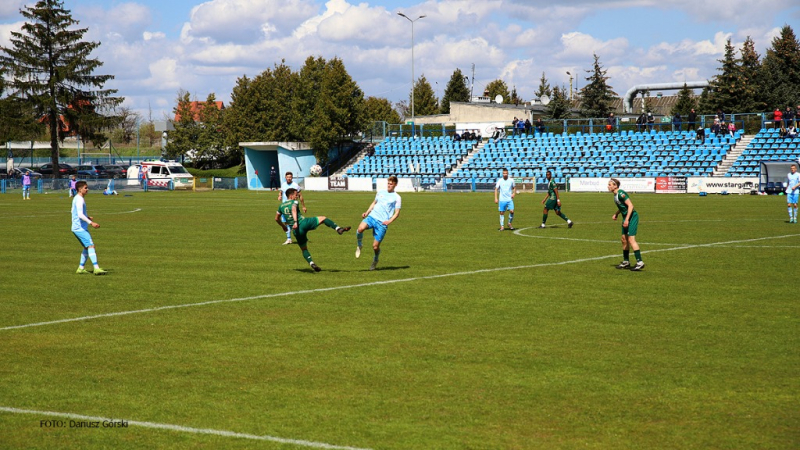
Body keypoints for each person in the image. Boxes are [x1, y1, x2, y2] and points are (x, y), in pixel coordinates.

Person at [276, 188, 350, 272]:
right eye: (296, 194)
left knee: (304, 249)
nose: (297, 196)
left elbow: (276, 218)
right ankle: (338, 229)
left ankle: (311, 263)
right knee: (323, 218)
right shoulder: (294, 202)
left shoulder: (281, 206)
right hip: (303, 223)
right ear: (291, 195)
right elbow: (293, 210)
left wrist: (283, 226)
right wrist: (296, 221)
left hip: (295, 231)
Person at [356, 175, 402, 271]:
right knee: (360, 229)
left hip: (382, 223)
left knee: (375, 246)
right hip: (372, 217)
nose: (389, 185)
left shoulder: (397, 197)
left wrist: (389, 221)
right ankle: (360, 245)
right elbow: (374, 203)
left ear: (395, 185)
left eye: (391, 184)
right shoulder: (380, 192)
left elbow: (397, 213)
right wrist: (367, 212)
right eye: (388, 183)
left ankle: (375, 259)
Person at [72, 180, 107, 275]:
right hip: (80, 228)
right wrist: (91, 222)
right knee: (91, 246)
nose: (87, 189)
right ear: (80, 189)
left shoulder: (77, 198)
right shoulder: (79, 199)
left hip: (77, 227)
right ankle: (96, 268)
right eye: (85, 188)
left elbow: (75, 213)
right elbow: (79, 214)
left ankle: (80, 268)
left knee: (86, 247)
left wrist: (86, 217)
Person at [608, 178, 644, 271]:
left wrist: (627, 219)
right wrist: (616, 213)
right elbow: (623, 206)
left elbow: (630, 205)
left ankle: (640, 262)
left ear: (615, 186)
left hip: (632, 217)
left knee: (631, 239)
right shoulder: (615, 195)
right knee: (624, 239)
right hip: (626, 217)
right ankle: (626, 261)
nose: (608, 186)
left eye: (610, 185)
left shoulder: (621, 193)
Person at [278, 171, 306, 245]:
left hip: (293, 206)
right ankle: (289, 238)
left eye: (290, 177)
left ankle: (301, 236)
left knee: (296, 222)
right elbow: (281, 192)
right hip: (285, 207)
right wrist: (279, 196)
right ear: (285, 177)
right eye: (287, 177)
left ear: (292, 177)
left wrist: (303, 206)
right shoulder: (283, 185)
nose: (289, 178)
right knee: (286, 222)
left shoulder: (295, 185)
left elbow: (300, 196)